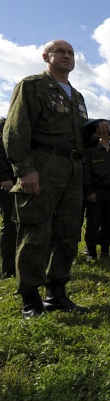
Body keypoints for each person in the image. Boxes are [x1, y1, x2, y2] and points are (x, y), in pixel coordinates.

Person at [3, 39, 110, 318]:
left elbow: (78, 140)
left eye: (71, 53)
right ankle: (30, 300)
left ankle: (56, 294)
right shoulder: (32, 86)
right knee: (35, 233)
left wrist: (94, 134)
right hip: (42, 164)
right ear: (45, 56)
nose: (67, 56)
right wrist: (25, 169)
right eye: (60, 52)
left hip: (72, 169)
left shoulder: (77, 97)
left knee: (68, 233)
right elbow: (15, 131)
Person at [83, 120, 110, 260]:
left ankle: (105, 251)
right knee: (93, 223)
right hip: (96, 192)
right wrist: (89, 191)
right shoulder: (91, 150)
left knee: (109, 223)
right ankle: (91, 252)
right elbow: (86, 171)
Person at [0, 116, 17, 279]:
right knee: (10, 224)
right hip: (9, 182)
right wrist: (4, 176)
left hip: (22, 180)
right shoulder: (6, 124)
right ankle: (8, 270)